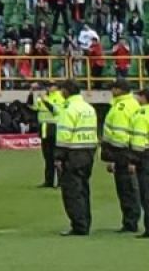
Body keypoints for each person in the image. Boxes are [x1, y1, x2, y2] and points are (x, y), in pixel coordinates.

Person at [54, 79, 98, 236]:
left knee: (72, 191)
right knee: (84, 189)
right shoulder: (88, 107)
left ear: (66, 91)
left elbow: (64, 134)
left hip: (73, 153)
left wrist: (59, 156)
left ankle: (79, 225)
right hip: (88, 151)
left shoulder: (68, 108)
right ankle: (85, 221)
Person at [101, 79, 142, 233]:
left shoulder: (120, 108)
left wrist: (112, 157)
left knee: (126, 189)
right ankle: (132, 219)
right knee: (133, 188)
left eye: (113, 88)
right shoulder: (133, 104)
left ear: (119, 90)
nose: (111, 91)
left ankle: (130, 222)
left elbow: (118, 135)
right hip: (132, 150)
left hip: (122, 152)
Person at [30, 82, 66, 188]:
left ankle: (61, 181)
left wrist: (45, 100)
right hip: (44, 127)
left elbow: (55, 111)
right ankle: (48, 181)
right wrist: (31, 93)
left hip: (54, 127)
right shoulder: (44, 96)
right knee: (47, 156)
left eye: (51, 86)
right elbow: (32, 106)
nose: (49, 88)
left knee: (57, 156)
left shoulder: (59, 97)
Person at [130, 89, 149, 238]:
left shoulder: (142, 114)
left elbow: (138, 140)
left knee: (146, 194)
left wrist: (133, 160)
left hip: (145, 156)